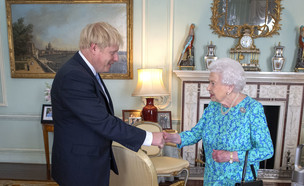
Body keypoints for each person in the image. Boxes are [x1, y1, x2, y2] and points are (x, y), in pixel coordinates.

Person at [50, 22, 164, 186]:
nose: (116, 58)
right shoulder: (74, 76)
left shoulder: (85, 71)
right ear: (94, 48)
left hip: (88, 164)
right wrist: (149, 137)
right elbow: (103, 121)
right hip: (79, 169)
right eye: (113, 52)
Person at [164, 58, 274, 185]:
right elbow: (196, 133)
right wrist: (173, 137)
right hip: (212, 180)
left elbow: (266, 150)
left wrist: (231, 156)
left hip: (239, 182)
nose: (208, 87)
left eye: (212, 83)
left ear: (229, 86)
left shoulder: (252, 109)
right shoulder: (213, 107)